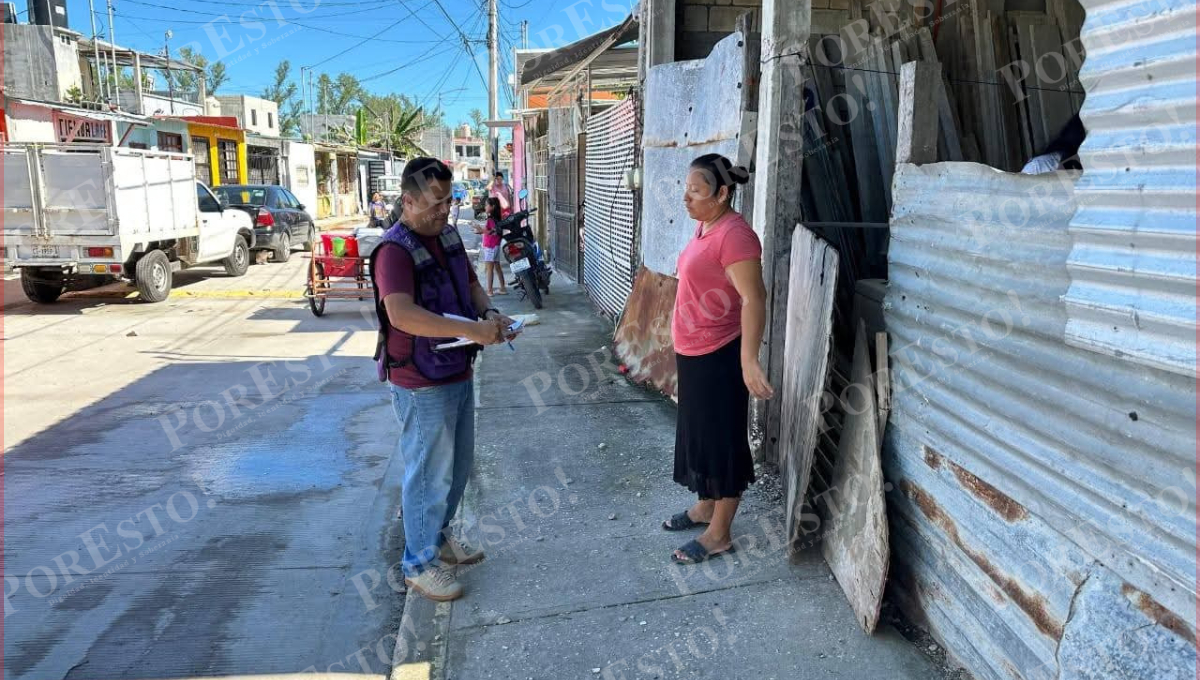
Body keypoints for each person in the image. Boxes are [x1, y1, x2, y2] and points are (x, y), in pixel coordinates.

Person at [369, 157, 518, 601]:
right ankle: (417, 563)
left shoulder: (447, 235)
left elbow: (470, 283)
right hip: (419, 379)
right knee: (428, 471)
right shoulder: (394, 250)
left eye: (448, 202)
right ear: (408, 200)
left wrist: (489, 312)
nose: (443, 212)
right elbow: (401, 313)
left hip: (455, 367)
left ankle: (439, 539)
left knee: (456, 468)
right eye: (434, 204)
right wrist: (471, 330)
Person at [662, 153, 774, 565]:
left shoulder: (735, 236)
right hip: (693, 350)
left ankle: (719, 533)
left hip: (720, 353)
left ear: (723, 193)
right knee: (699, 434)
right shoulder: (707, 226)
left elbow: (754, 299)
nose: (687, 198)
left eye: (696, 190)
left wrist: (748, 360)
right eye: (686, 189)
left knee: (723, 439)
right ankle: (706, 504)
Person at [472, 197, 508, 296]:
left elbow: (491, 232)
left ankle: (489, 290)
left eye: (487, 205)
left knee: (489, 269)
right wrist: (480, 231)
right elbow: (491, 232)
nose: (485, 206)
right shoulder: (495, 219)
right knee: (497, 267)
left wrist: (480, 229)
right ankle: (502, 288)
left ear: (493, 207)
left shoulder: (491, 219)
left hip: (490, 246)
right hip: (494, 245)